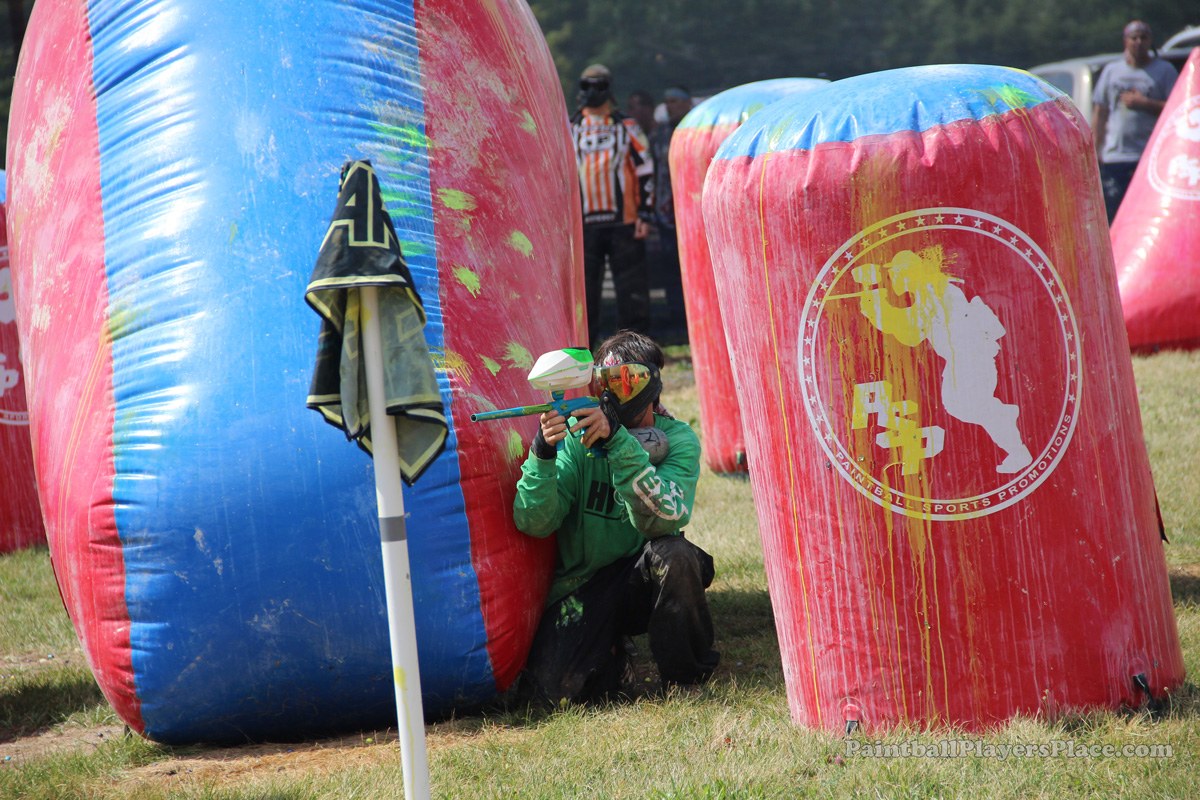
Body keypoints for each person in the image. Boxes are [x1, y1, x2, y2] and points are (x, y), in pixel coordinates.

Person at [513, 330, 719, 705]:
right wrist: (542, 454)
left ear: (652, 383)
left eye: (628, 381)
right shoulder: (577, 438)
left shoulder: (679, 439)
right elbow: (535, 522)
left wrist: (617, 443)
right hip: (587, 583)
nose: (615, 394)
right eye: (606, 383)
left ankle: (683, 677)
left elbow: (662, 520)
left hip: (646, 574)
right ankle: (614, 658)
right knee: (551, 695)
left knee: (676, 556)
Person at [571, 65, 655, 347]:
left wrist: (645, 213)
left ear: (608, 89)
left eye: (599, 85)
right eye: (587, 86)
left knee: (632, 293)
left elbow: (646, 170)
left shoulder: (627, 126)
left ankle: (637, 353)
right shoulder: (569, 127)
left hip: (625, 223)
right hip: (583, 228)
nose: (593, 92)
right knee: (584, 297)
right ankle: (583, 354)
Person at [1092, 20, 1178, 222]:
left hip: (1149, 157)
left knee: (1146, 214)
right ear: (1125, 41)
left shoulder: (1164, 70)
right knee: (1115, 214)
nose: (1139, 42)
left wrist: (1145, 103)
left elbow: (1177, 108)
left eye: (1143, 37)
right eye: (1134, 38)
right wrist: (1095, 149)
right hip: (1115, 157)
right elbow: (1101, 112)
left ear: (1150, 41)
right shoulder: (1112, 71)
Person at [647, 86, 693, 339]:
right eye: (667, 102)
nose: (669, 106)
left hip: (692, 212)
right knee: (671, 268)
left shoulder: (695, 130)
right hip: (666, 213)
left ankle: (694, 318)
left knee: (693, 266)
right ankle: (676, 318)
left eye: (674, 101)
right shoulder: (659, 134)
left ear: (687, 103)